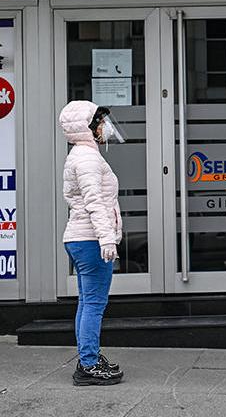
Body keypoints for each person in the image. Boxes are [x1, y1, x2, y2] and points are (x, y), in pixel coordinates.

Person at [59, 100, 125, 386]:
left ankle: (89, 358)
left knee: (87, 304)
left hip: (83, 238)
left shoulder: (83, 154)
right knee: (94, 304)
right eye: (99, 123)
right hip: (90, 240)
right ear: (86, 127)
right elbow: (94, 202)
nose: (104, 128)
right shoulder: (86, 158)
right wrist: (107, 238)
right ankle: (87, 365)